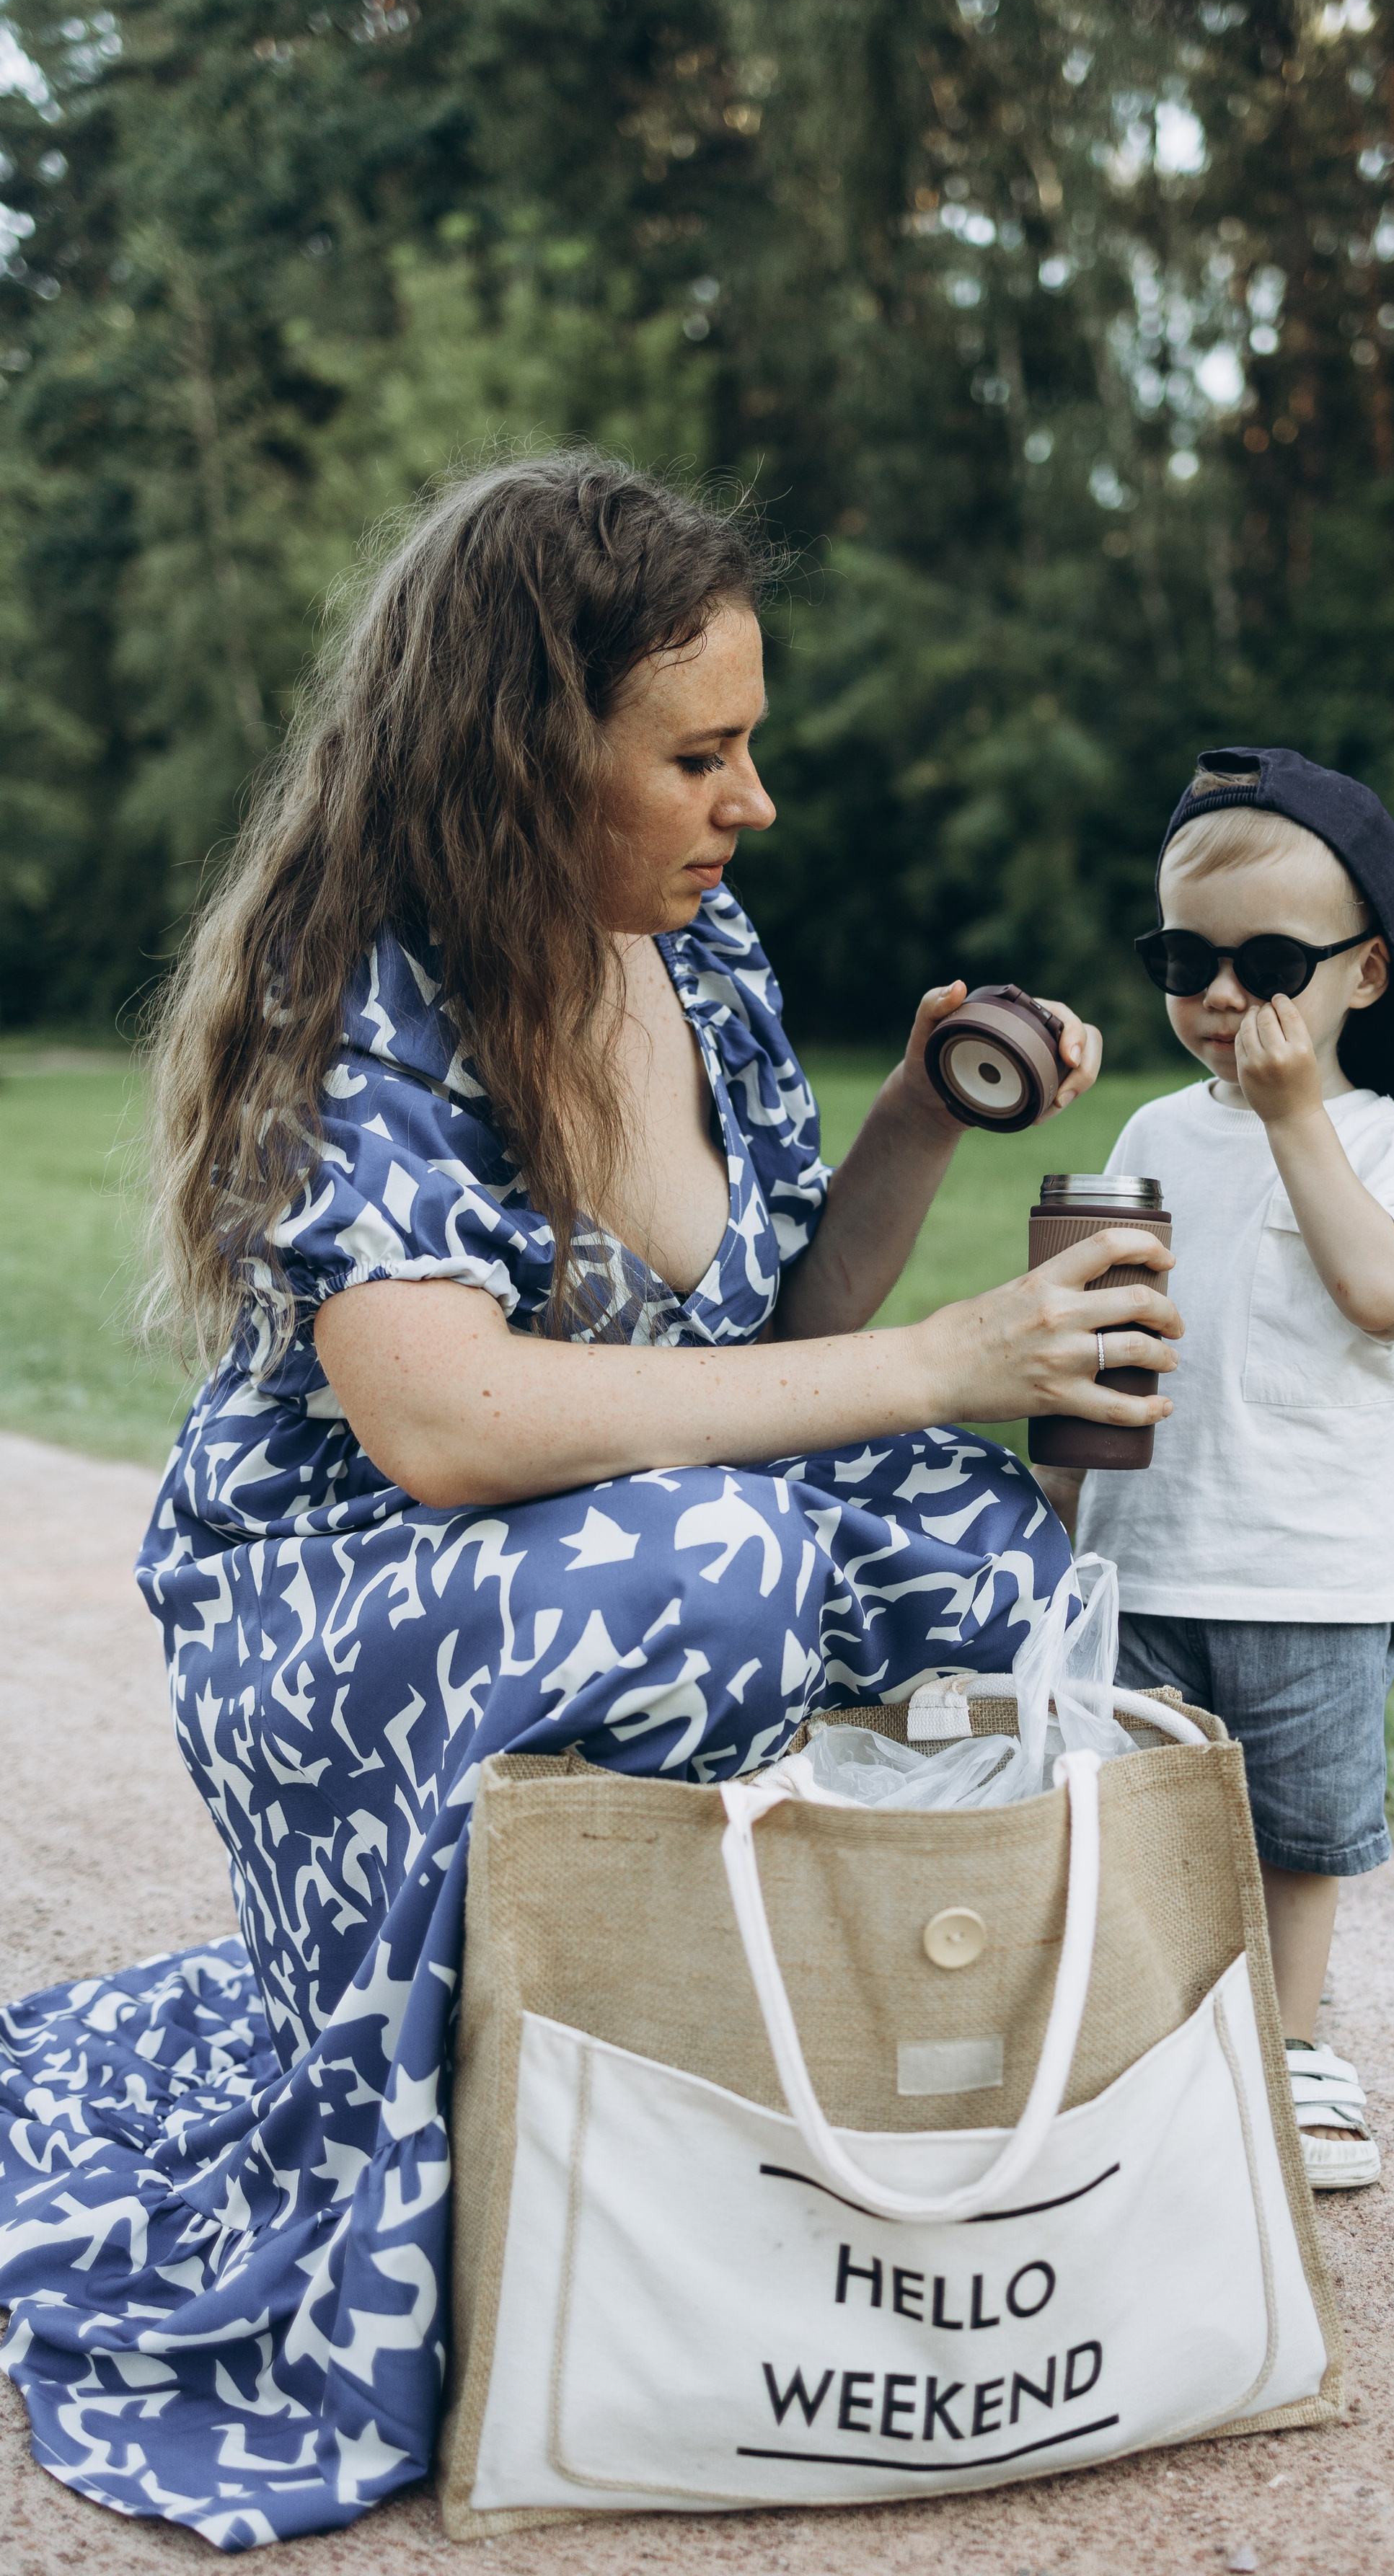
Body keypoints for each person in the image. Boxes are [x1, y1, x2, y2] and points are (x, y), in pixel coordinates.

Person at [0, 455, 1181, 2546]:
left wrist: (916, 1117)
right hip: (336, 1593)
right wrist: (947, 1365)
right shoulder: (356, 986)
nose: (753, 805)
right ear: (525, 753)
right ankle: (547, 2145)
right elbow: (445, 1424)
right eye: (697, 757)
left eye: (749, 748)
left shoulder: (697, 953)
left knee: (976, 1547)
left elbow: (778, 1336)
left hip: (620, 1542)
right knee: (724, 1563)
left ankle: (836, 2090)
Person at [1035, 746, 1394, 2193]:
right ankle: (1156, 2039)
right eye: (1185, 960)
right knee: (1138, 1807)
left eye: (1268, 965)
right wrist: (1062, 1496)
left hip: (1311, 1568)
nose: (1221, 998)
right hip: (1148, 1545)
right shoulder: (1155, 1131)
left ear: (1364, 974)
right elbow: (1106, 1322)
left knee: (1297, 1833)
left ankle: (1291, 2046)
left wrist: (1293, 1120)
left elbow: (1376, 1293)